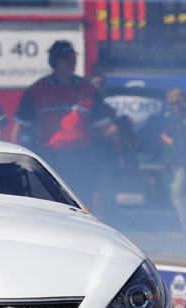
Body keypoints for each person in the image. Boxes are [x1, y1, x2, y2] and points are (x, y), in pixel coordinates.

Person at [11, 40, 111, 205]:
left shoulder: (88, 89)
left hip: (81, 157)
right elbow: (20, 127)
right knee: (50, 203)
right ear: (55, 62)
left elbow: (103, 128)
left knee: (82, 202)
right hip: (49, 158)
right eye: (68, 59)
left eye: (74, 59)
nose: (73, 62)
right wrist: (16, 162)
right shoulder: (38, 90)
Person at [161, 88, 186, 233]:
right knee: (180, 192)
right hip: (179, 161)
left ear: (182, 101)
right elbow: (163, 135)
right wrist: (175, 143)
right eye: (172, 103)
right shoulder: (172, 119)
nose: (175, 106)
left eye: (177, 102)